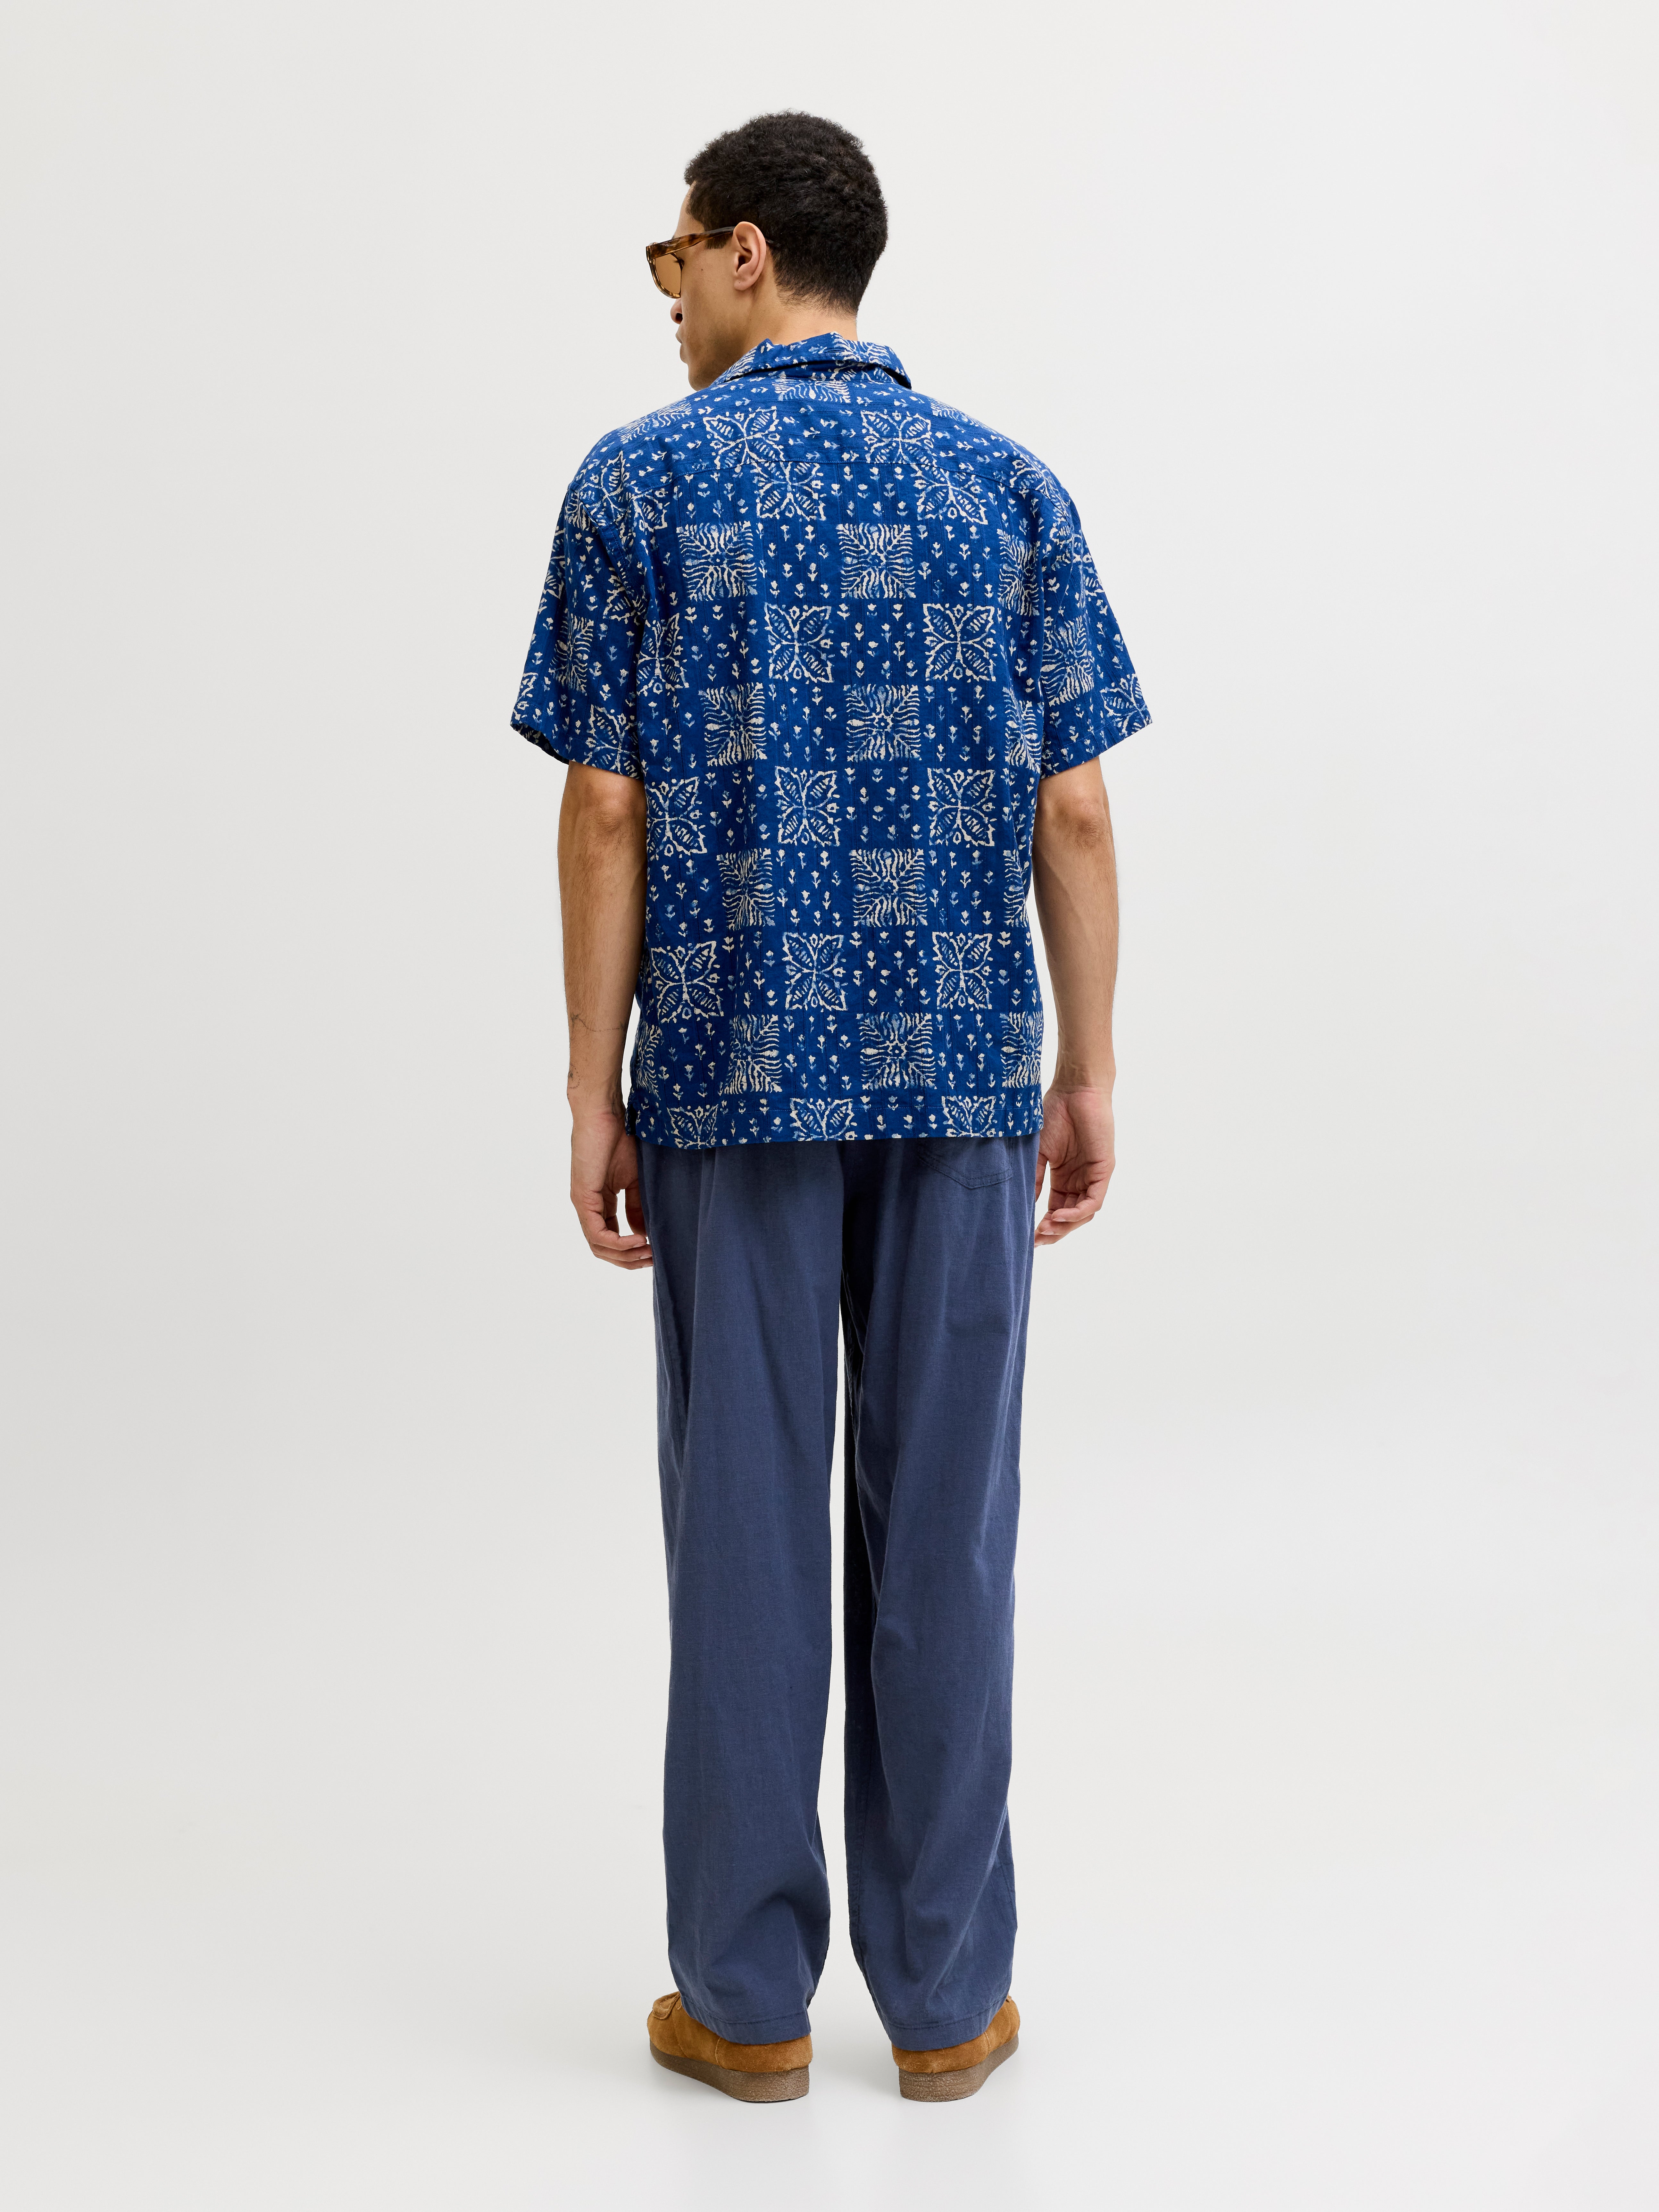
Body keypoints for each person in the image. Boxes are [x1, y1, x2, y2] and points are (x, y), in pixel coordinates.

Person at [512, 111, 1148, 2103]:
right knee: (946, 1536)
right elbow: (1073, 808)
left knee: (746, 1539)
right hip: (962, 1082)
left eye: (673, 256)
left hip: (730, 1076)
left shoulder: (638, 484)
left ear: (747, 251)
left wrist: (592, 1086)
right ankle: (947, 2001)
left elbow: (602, 808)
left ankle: (747, 2000)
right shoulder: (1007, 488)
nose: (665, 297)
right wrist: (1086, 1064)